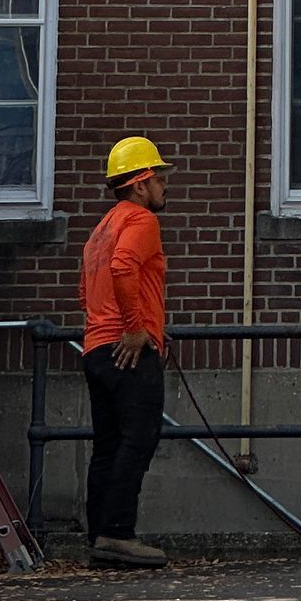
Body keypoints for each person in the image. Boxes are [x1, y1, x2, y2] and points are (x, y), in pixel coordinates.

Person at [80, 137, 172, 570]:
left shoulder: (102, 229)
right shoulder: (140, 220)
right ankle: (118, 534)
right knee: (138, 439)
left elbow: (86, 290)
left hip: (97, 347)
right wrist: (136, 329)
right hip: (127, 350)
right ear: (140, 184)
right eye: (158, 177)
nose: (164, 185)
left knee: (108, 444)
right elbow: (123, 268)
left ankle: (100, 533)